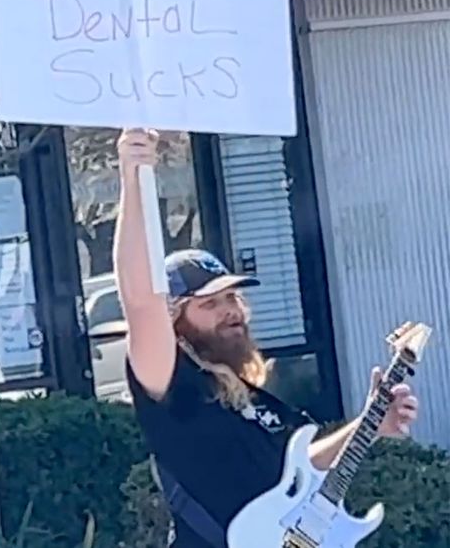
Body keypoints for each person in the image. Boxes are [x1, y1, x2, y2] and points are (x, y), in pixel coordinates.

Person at [113, 128, 419, 547]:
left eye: (232, 298)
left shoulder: (253, 398)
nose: (230, 311)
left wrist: (370, 424)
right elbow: (140, 300)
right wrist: (132, 176)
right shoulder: (173, 386)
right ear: (173, 323)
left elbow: (298, 470)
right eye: (209, 304)